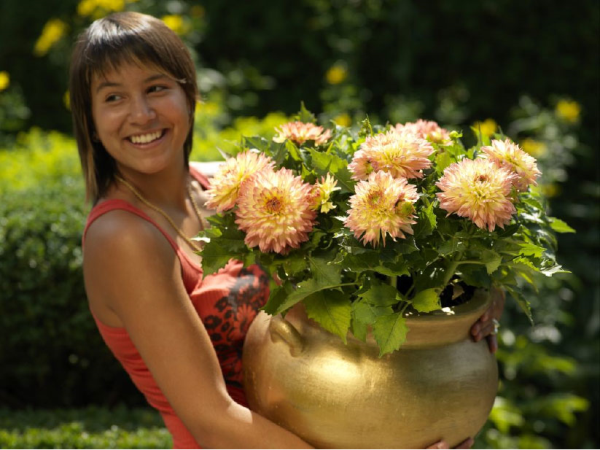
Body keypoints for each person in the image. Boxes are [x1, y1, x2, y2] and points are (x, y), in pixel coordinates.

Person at [70, 11, 503, 449]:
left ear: (190, 93)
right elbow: (212, 419)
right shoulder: (123, 236)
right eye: (113, 98)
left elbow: (377, 271)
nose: (140, 114)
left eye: (156, 88)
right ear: (89, 119)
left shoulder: (234, 186)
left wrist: (475, 299)